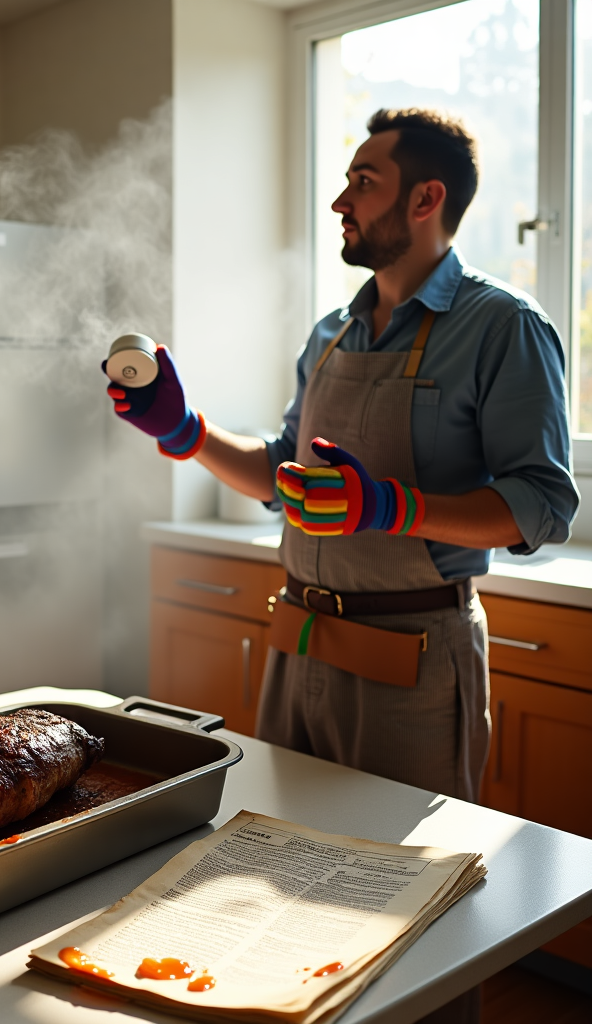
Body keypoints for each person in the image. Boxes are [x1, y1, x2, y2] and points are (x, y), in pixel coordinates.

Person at [106, 106, 579, 1022]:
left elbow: (542, 504)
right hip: (300, 644)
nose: (339, 201)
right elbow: (287, 479)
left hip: (414, 661)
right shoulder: (332, 331)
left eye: (363, 181)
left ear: (427, 197)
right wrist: (186, 431)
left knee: (407, 911)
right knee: (274, 892)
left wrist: (394, 506)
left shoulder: (503, 328)